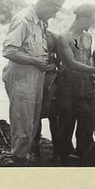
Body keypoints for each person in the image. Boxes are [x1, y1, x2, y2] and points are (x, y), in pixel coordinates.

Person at [2, 0, 66, 166]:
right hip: (21, 78)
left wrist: (42, 63)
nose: (53, 16)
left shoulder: (39, 22)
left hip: (35, 77)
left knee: (32, 122)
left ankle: (22, 156)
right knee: (22, 122)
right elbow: (8, 51)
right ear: (45, 5)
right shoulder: (23, 19)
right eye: (53, 11)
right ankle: (18, 160)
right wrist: (35, 62)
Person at [56, 3, 95, 164]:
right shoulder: (63, 37)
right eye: (92, 20)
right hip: (68, 85)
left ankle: (85, 158)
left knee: (86, 125)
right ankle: (62, 159)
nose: (93, 24)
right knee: (66, 124)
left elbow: (88, 58)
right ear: (83, 18)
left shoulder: (88, 37)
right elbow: (71, 63)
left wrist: (94, 72)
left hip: (86, 85)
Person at [32, 21, 61, 160]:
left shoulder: (54, 38)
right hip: (34, 77)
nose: (43, 24)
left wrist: (54, 67)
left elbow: (61, 61)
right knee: (35, 114)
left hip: (50, 78)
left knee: (54, 115)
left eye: (45, 22)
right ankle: (35, 148)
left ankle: (57, 150)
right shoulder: (31, 36)